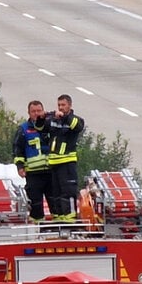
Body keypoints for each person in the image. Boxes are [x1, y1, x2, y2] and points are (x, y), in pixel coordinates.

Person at [47, 94, 86, 222]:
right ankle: (59, 218)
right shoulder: (54, 119)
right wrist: (44, 117)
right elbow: (42, 126)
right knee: (56, 193)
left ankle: (70, 218)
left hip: (67, 162)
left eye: (63, 105)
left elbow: (77, 126)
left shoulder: (75, 119)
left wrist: (64, 117)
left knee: (68, 192)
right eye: (59, 105)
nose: (61, 107)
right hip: (54, 162)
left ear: (70, 105)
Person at [13, 100, 52, 221]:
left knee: (56, 202)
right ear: (28, 113)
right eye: (33, 111)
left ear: (43, 111)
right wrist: (20, 166)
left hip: (51, 172)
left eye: (39, 111)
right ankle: (37, 229)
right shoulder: (23, 129)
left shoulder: (50, 126)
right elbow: (17, 149)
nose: (36, 113)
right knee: (35, 205)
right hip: (33, 174)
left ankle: (58, 229)